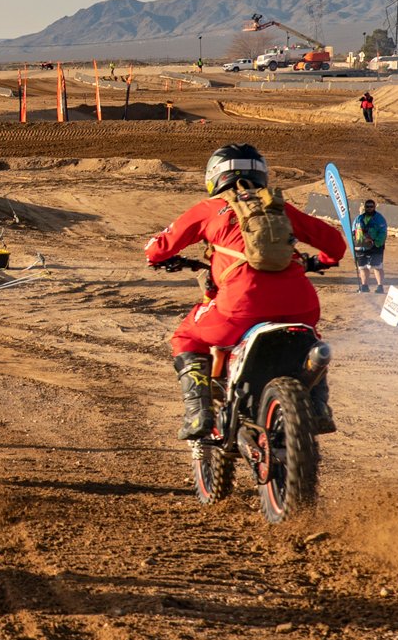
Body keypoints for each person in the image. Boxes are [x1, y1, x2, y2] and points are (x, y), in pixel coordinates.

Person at [144, 144, 347, 439]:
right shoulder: (279, 206)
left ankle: (198, 413)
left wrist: (157, 258)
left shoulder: (210, 209)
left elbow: (157, 248)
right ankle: (318, 406)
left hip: (239, 307)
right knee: (309, 341)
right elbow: (336, 244)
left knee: (186, 336)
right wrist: (320, 261)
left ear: (215, 176)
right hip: (300, 303)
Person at [351, 199, 388, 293]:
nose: (369, 208)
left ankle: (380, 287)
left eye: (371, 206)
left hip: (375, 247)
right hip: (361, 246)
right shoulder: (358, 219)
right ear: (365, 207)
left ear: (374, 207)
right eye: (367, 206)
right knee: (362, 267)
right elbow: (353, 231)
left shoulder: (380, 219)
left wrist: (374, 242)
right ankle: (364, 286)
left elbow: (383, 233)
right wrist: (355, 241)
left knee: (377, 267)